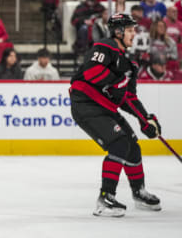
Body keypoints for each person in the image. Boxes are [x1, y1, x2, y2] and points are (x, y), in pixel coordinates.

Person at [69, 13, 162, 217]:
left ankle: (139, 192)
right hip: (86, 104)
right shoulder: (105, 46)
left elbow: (129, 98)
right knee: (119, 144)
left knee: (132, 146)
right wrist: (117, 81)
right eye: (129, 30)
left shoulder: (129, 66)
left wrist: (145, 119)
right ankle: (105, 198)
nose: (133, 34)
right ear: (118, 32)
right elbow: (92, 72)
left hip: (104, 107)